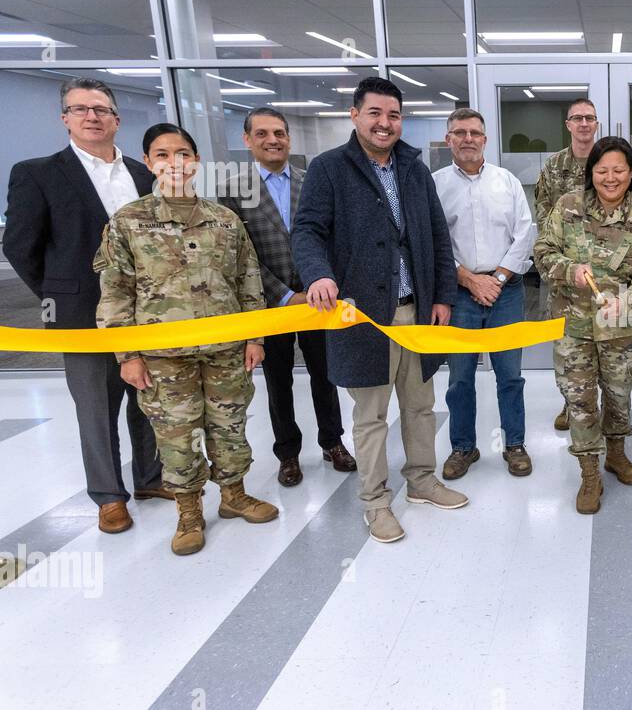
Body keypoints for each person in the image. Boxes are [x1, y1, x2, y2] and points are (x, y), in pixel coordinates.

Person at [292, 76, 467, 545]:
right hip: (362, 316)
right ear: (355, 115)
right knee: (371, 416)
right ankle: (374, 501)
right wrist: (318, 275)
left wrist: (443, 295)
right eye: (375, 113)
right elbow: (306, 231)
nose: (385, 123)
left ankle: (423, 481)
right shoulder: (329, 169)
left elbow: (437, 235)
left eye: (393, 115)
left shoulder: (413, 168)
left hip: (417, 311)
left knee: (420, 406)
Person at [94, 123, 277, 556]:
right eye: (162, 154)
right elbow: (116, 291)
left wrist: (256, 338)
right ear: (149, 163)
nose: (174, 162)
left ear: (195, 162)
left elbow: (248, 279)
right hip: (162, 357)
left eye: (182, 154)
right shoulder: (129, 222)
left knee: (229, 426)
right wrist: (127, 354)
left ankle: (233, 495)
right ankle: (189, 511)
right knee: (178, 435)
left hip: (226, 351)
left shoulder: (225, 219)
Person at [3, 79, 168, 535]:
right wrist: (58, 294)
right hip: (82, 318)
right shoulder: (38, 172)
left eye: (100, 109)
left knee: (149, 399)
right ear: (65, 119)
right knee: (97, 409)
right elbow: (20, 246)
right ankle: (109, 497)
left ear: (116, 119)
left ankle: (150, 478)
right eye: (80, 109)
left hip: (146, 313)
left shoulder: (141, 174)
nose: (91, 116)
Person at [217, 106, 355, 488]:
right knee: (278, 381)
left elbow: (329, 239)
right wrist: (283, 296)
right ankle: (288, 454)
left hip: (317, 301)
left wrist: (314, 285)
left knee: (325, 376)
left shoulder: (312, 182)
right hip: (268, 305)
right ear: (247, 140)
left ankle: (332, 442)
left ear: (289, 138)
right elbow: (238, 257)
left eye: (279, 133)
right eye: (262, 133)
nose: (272, 140)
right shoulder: (231, 192)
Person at [534, 137, 632, 515]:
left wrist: (629, 300)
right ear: (591, 174)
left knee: (619, 399)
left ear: (631, 173)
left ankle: (616, 455)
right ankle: (589, 472)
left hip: (622, 331)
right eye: (602, 170)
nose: (610, 177)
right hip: (574, 328)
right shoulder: (567, 207)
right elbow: (542, 252)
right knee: (581, 402)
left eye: (619, 170)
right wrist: (569, 269)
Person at [433, 107, 536, 480]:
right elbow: (434, 243)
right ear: (448, 140)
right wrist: (469, 280)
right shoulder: (436, 185)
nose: (467, 139)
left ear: (485, 139)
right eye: (459, 133)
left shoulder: (506, 182)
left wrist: (498, 276)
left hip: (505, 291)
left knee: (510, 374)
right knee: (460, 377)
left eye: (474, 132)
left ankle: (515, 444)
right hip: (458, 293)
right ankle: (463, 447)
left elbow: (525, 233)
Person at [535, 98, 601, 432]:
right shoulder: (553, 166)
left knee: (607, 340)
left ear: (597, 123)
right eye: (578, 118)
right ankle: (571, 402)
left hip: (606, 267)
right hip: (566, 272)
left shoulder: (609, 160)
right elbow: (544, 216)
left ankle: (602, 403)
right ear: (568, 125)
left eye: (589, 118)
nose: (584, 124)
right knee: (568, 346)